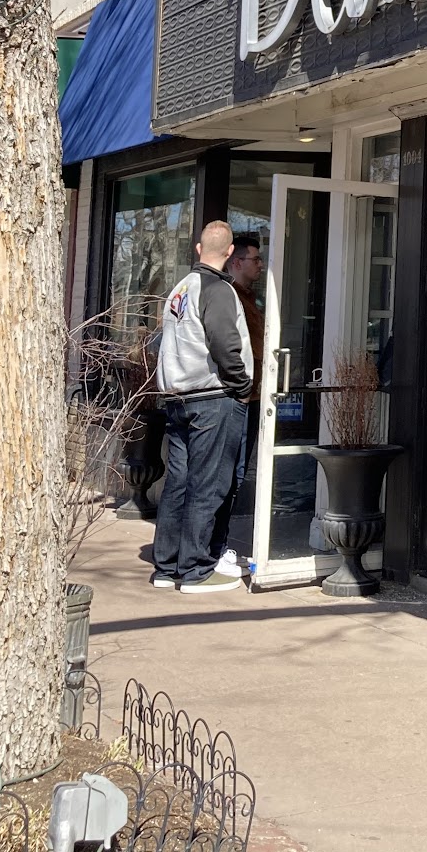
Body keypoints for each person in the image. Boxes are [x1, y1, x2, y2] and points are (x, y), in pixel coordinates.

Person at [152, 220, 253, 594]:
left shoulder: (180, 289)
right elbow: (225, 344)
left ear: (198, 249)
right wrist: (242, 386)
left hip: (177, 398)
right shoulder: (217, 289)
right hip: (211, 398)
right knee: (208, 484)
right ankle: (196, 569)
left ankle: (167, 566)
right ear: (229, 252)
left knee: (178, 482)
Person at [207, 232, 265, 578]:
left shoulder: (251, 299)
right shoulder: (228, 298)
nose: (261, 265)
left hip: (254, 396)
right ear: (236, 261)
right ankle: (215, 549)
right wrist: (242, 386)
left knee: (238, 473)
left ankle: (217, 546)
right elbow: (228, 348)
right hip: (235, 398)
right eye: (255, 259)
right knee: (228, 473)